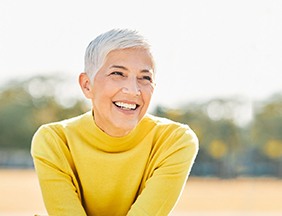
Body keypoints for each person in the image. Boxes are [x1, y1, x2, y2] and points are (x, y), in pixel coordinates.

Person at [31, 29, 199, 216]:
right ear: (87, 85)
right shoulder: (55, 141)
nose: (133, 90)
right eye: (118, 73)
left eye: (145, 78)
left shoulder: (174, 141)